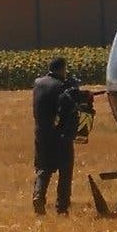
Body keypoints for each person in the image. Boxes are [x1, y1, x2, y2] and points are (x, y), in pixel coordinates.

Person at [33, 57, 80, 216]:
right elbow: (68, 108)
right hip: (59, 135)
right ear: (61, 69)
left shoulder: (38, 83)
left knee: (43, 169)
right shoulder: (62, 87)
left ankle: (38, 196)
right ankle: (62, 207)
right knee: (65, 171)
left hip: (41, 134)